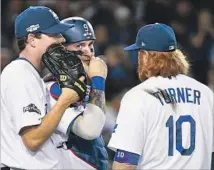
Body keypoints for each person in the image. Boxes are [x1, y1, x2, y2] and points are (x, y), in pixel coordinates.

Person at [108, 23, 214, 169]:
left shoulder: (139, 96)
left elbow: (125, 164)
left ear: (145, 56)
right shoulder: (206, 94)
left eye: (139, 53)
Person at [0, 6, 83, 169]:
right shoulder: (19, 74)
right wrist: (65, 100)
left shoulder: (29, 73)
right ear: (31, 39)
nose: (61, 40)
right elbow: (32, 139)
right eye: (54, 34)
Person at [44, 17, 108, 170]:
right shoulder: (53, 89)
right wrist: (98, 81)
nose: (88, 52)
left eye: (90, 44)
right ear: (62, 51)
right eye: (80, 45)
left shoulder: (83, 87)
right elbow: (89, 130)